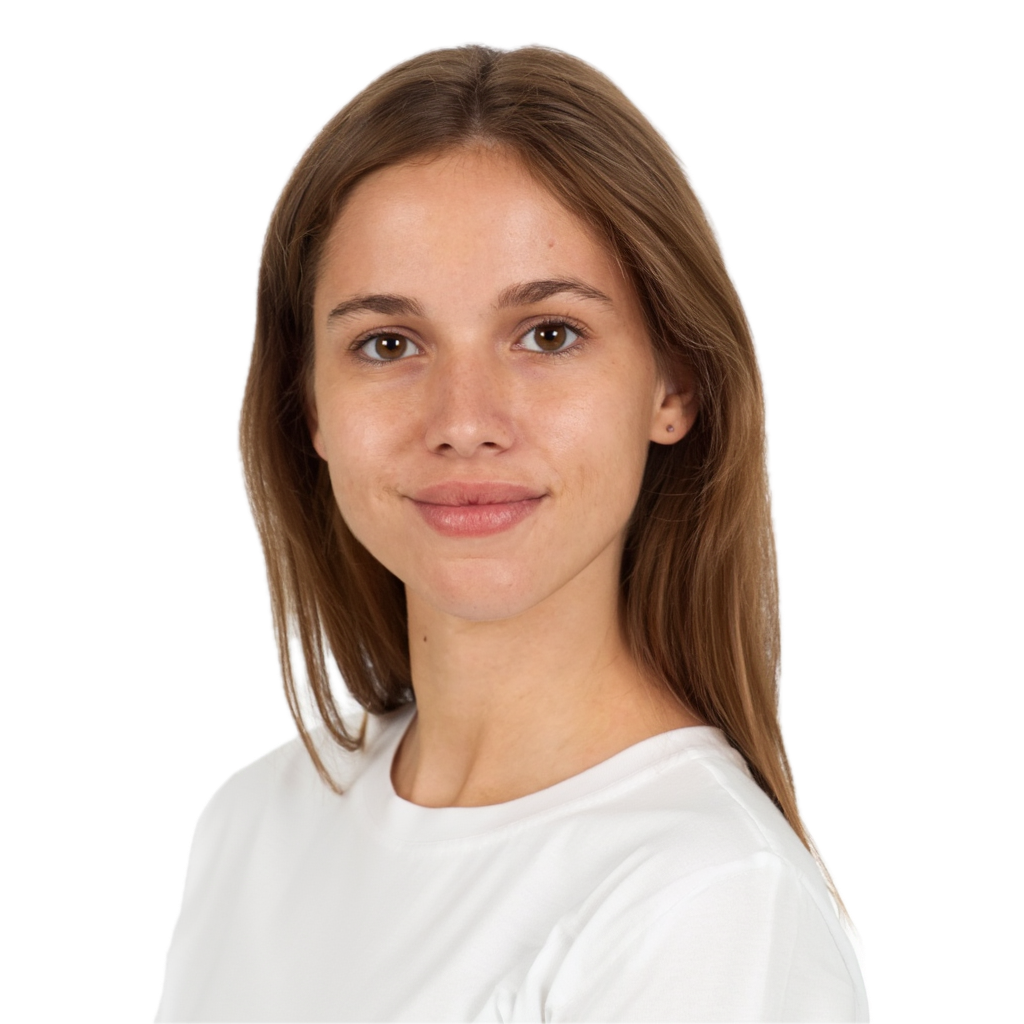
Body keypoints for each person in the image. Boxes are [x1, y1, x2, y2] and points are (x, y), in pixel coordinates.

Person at [152, 41, 871, 1023]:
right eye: (389, 344)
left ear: (674, 384)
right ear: (306, 404)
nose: (463, 419)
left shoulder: (710, 902)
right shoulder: (252, 824)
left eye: (548, 334)